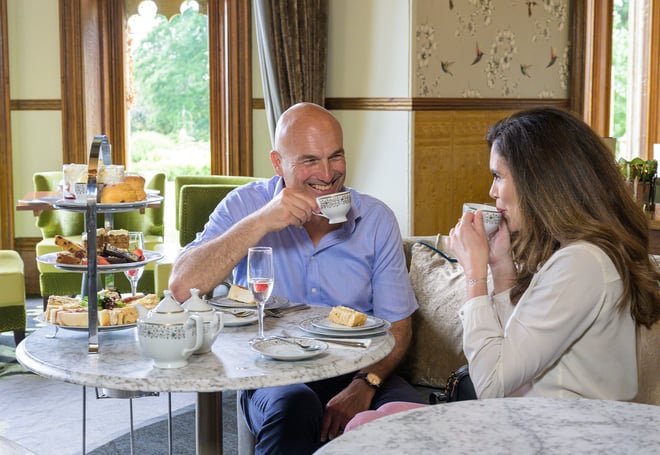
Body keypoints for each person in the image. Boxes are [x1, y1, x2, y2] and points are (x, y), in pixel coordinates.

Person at [345, 106, 660, 430]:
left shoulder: (581, 264)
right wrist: (501, 267)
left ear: (537, 181)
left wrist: (475, 277)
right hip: (534, 424)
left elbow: (492, 383)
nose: (492, 192)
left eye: (498, 176)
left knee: (366, 427)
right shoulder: (579, 256)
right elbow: (518, 349)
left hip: (557, 435)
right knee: (374, 418)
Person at [168, 102, 425, 454]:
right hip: (270, 376)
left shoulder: (376, 220)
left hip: (362, 371)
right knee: (294, 409)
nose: (328, 173)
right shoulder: (246, 206)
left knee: (413, 423)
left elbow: (398, 326)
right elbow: (182, 287)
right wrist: (261, 222)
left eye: (336, 157)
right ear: (278, 164)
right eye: (309, 161)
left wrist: (364, 384)